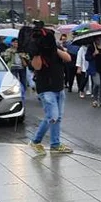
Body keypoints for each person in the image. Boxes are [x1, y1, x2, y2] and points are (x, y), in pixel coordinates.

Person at [28, 24, 73, 156]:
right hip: (46, 89)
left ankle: (55, 144)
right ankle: (35, 141)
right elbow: (37, 66)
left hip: (59, 87)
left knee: (57, 117)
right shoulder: (36, 50)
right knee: (51, 116)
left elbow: (68, 58)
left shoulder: (56, 48)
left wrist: (55, 49)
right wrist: (37, 52)